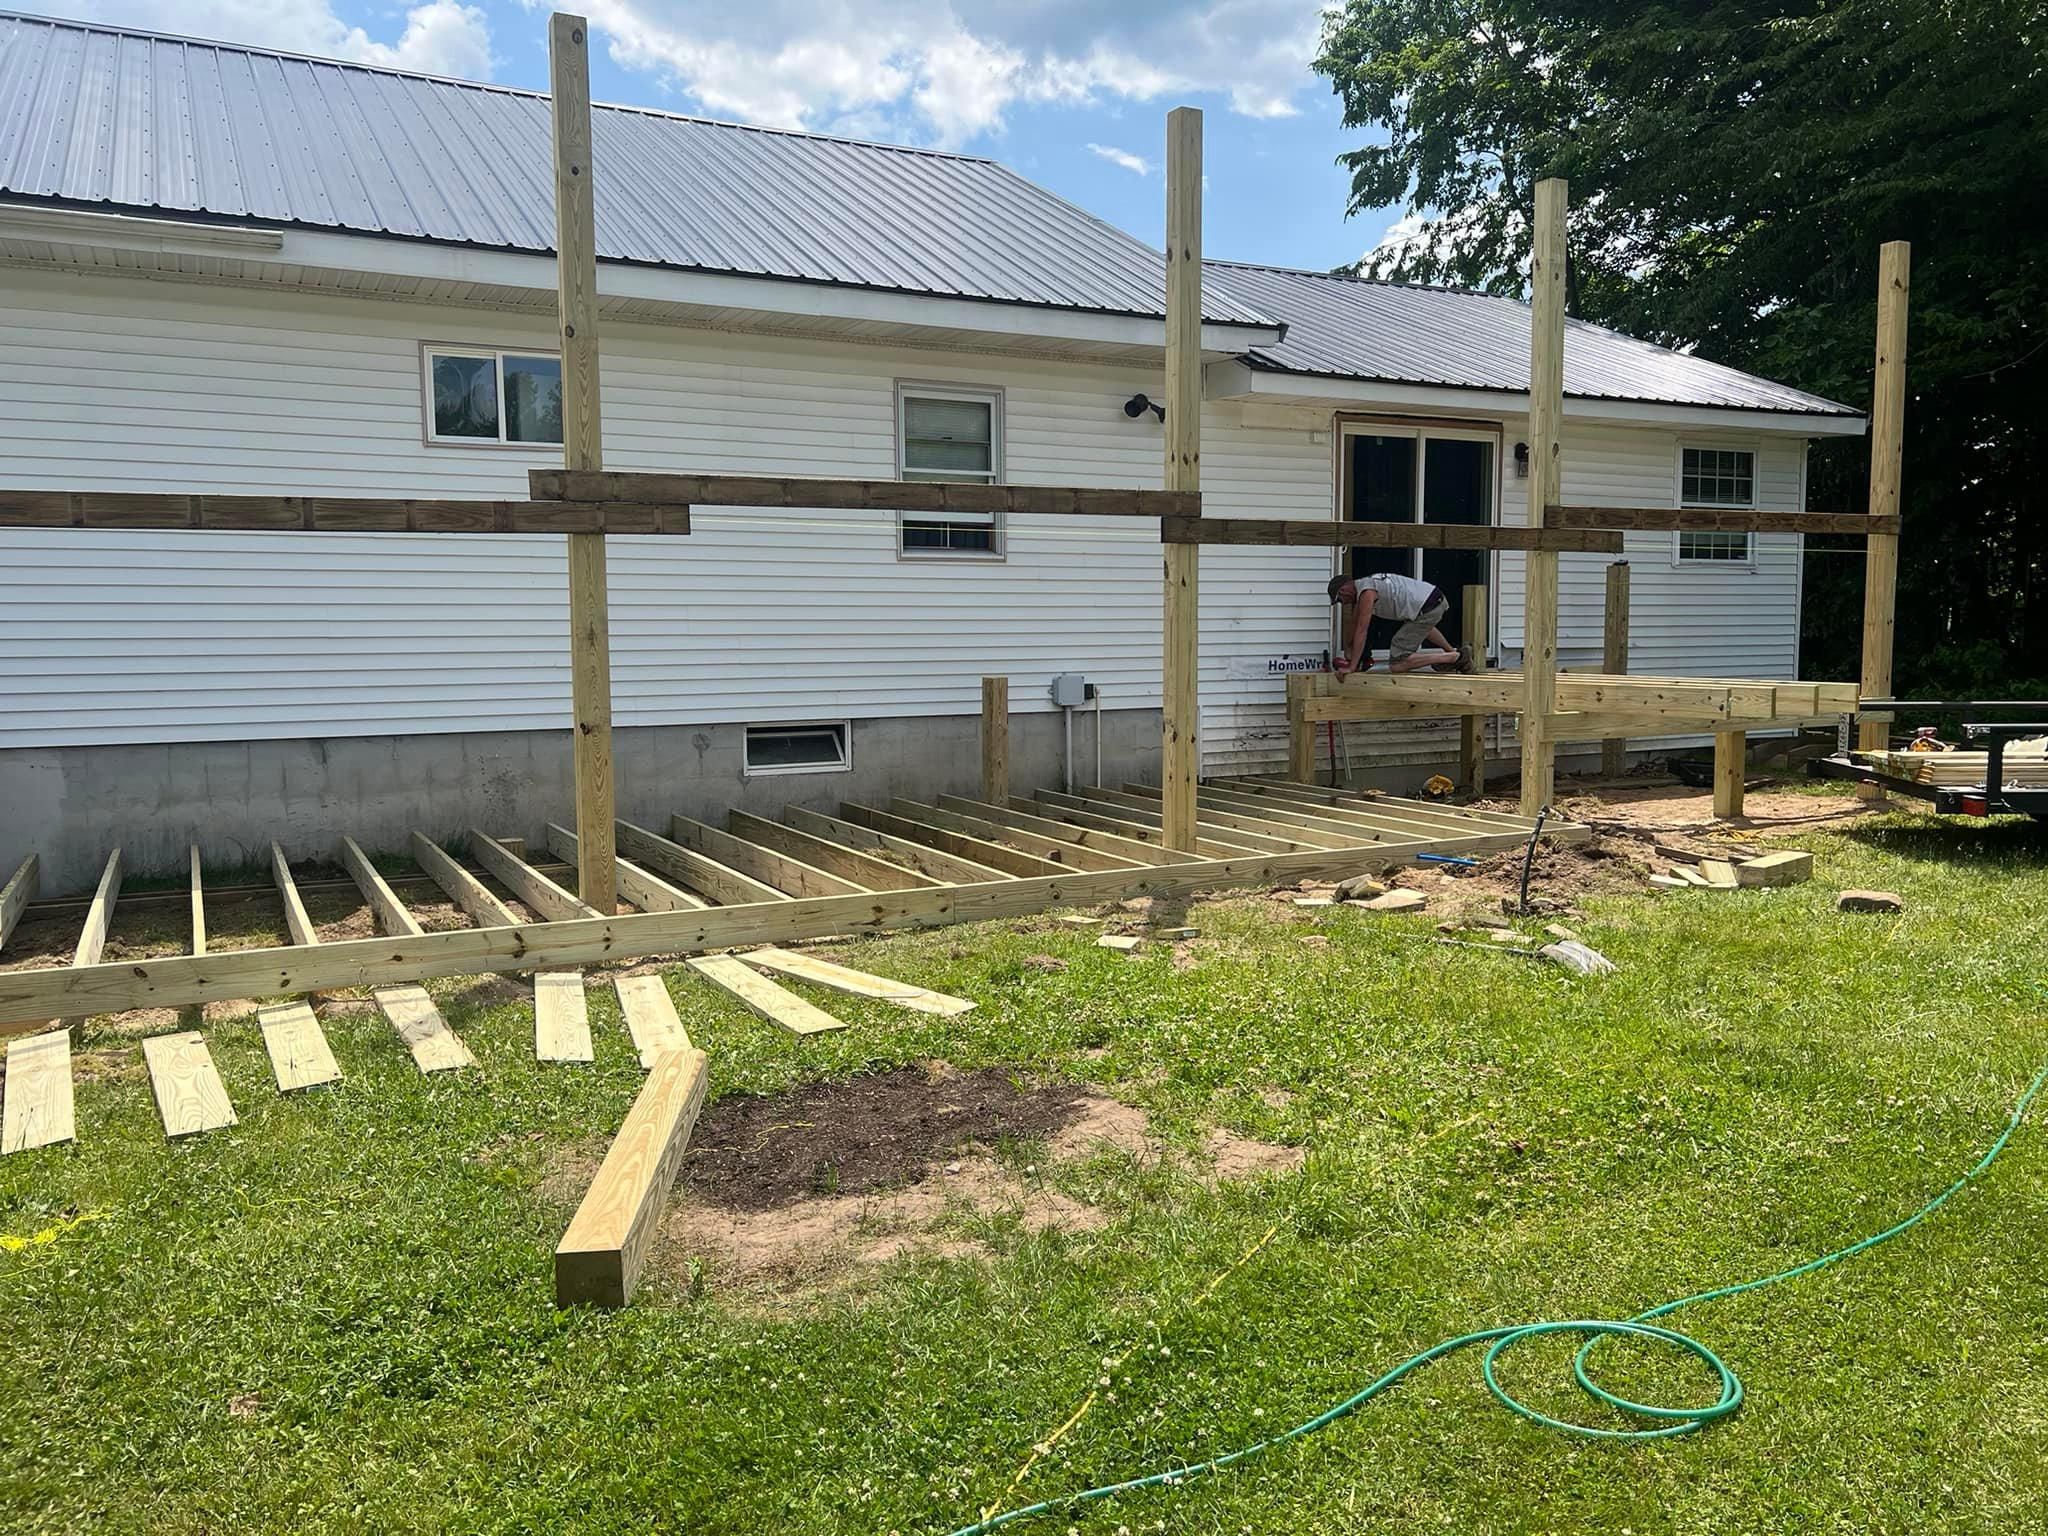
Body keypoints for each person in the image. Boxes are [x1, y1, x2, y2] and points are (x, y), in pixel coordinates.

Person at [1326, 572, 1476, 675]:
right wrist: (1348, 648)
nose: (1342, 603)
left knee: (1398, 662)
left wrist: (1352, 667)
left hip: (1428, 607)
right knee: (1420, 625)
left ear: (1344, 590)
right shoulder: (1365, 586)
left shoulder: (1367, 593)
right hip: (1433, 599)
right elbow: (1354, 623)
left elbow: (1361, 630)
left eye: (1339, 599)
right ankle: (1456, 653)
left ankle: (1454, 658)